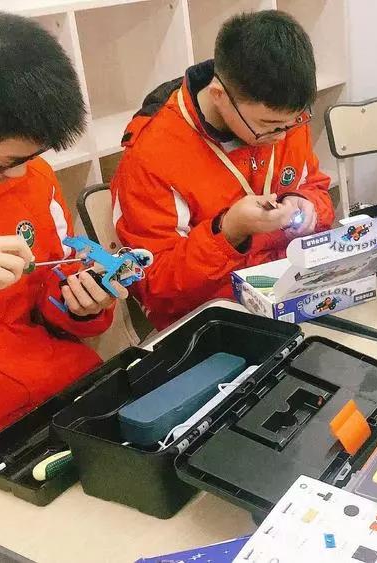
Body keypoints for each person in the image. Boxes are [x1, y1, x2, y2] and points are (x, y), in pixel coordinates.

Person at [0, 13, 126, 481]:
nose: (20, 174)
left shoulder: (31, 177)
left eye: (31, 158)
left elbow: (49, 286)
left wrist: (81, 304)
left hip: (53, 395)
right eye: (6, 161)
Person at [112, 11, 334, 330]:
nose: (282, 135)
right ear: (219, 95)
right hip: (213, 317)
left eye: (295, 121)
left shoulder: (283, 118)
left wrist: (308, 205)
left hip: (292, 292)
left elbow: (316, 188)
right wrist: (228, 231)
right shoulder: (151, 153)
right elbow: (154, 285)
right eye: (269, 125)